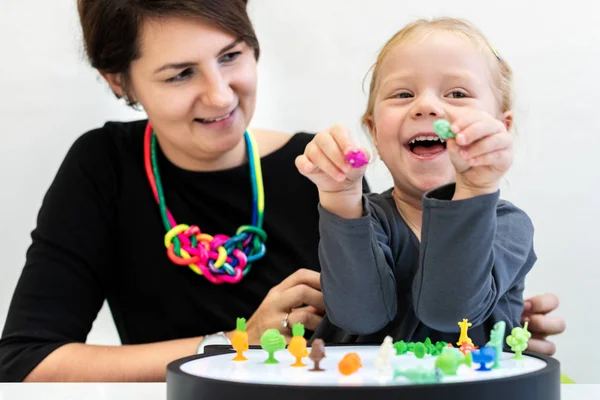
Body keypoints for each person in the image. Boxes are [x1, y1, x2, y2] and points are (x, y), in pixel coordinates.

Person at [0, 1, 564, 383]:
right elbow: (25, 361)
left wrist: (495, 324)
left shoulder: (322, 170)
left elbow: (400, 321)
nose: (220, 96)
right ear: (117, 80)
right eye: (179, 74)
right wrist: (230, 340)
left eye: (231, 57)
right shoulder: (106, 169)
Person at [297, 18, 556, 346]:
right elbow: (357, 316)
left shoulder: (509, 226)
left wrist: (475, 187)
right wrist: (339, 195)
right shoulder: (364, 218)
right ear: (374, 132)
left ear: (501, 129)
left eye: (458, 93)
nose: (426, 106)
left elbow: (452, 312)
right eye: (403, 94)